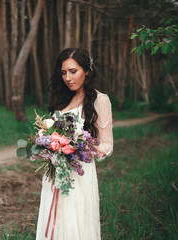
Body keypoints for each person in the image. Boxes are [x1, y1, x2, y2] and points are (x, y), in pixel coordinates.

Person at [36, 48, 113, 240]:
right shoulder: (63, 99)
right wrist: (48, 145)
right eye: (63, 73)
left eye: (73, 71)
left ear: (87, 71)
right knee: (55, 221)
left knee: (75, 222)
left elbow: (107, 145)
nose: (68, 78)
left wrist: (79, 146)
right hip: (55, 174)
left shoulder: (100, 100)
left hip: (78, 175)